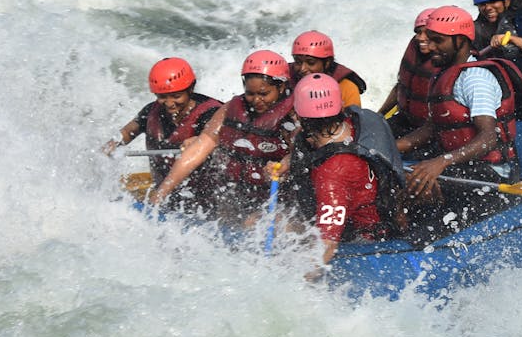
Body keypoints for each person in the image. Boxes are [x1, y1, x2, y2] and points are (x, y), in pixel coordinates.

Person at [395, 5, 522, 234]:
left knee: (412, 186)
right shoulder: (443, 73)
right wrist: (388, 148)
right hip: (462, 165)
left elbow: (489, 137)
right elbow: (432, 128)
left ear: (461, 41)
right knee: (396, 178)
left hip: (492, 174)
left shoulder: (476, 78)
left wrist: (441, 162)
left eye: (438, 40)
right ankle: (398, 233)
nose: (430, 46)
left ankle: (417, 244)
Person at [148, 50, 296, 220]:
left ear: (282, 86)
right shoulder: (229, 110)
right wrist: (161, 194)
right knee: (225, 218)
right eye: (250, 93)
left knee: (252, 223)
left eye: (263, 94)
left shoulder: (292, 116)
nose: (256, 100)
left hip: (279, 199)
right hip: (238, 197)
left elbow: (300, 153)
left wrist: (285, 163)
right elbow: (198, 149)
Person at [282, 74, 406, 267]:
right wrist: (289, 160)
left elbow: (326, 246)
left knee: (281, 227)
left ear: (298, 116)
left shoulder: (332, 173)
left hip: (364, 243)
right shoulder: (353, 125)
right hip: (382, 219)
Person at [103, 57, 222, 212]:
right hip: (165, 197)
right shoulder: (151, 111)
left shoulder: (212, 113)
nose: (169, 103)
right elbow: (126, 132)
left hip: (207, 201)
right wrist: (113, 144)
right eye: (162, 97)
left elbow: (226, 139)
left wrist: (199, 142)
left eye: (176, 96)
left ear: (190, 89)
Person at [378, 8, 440, 142]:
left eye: (428, 33)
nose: (421, 38)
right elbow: (401, 86)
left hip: (430, 129)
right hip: (405, 119)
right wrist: (379, 115)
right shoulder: (414, 51)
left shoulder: (447, 61)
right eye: (418, 32)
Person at [289, 30, 367, 110]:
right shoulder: (285, 79)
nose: (303, 69)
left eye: (311, 63)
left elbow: (353, 120)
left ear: (327, 63)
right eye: (298, 62)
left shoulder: (346, 87)